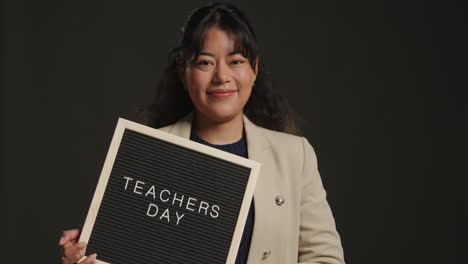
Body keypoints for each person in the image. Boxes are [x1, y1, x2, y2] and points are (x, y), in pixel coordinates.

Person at [58, 2, 345, 264]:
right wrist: (88, 256)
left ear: (254, 69)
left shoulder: (295, 156)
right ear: (184, 72)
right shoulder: (147, 155)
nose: (222, 76)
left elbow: (324, 258)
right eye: (205, 62)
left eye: (236, 61)